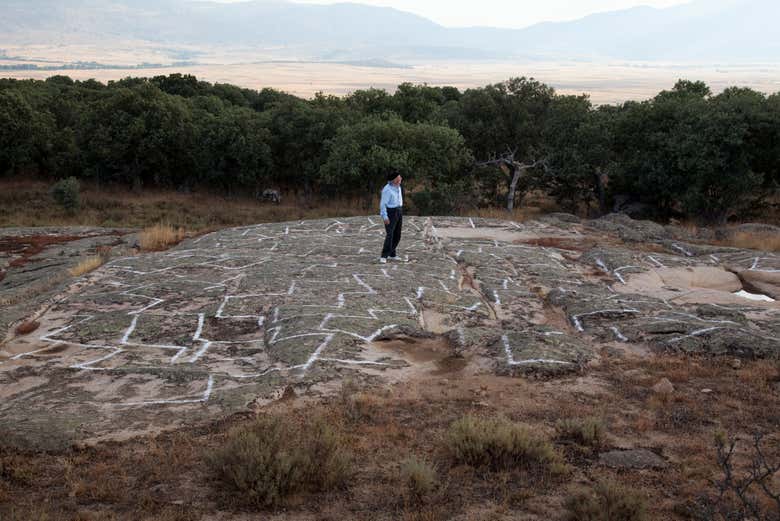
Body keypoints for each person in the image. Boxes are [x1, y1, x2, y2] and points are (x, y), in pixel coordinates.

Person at [379, 171, 403, 263]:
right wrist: (385, 217)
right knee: (390, 234)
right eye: (399, 178)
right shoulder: (387, 190)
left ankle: (392, 254)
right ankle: (384, 256)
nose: (401, 179)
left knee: (397, 235)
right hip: (391, 212)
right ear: (394, 180)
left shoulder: (399, 187)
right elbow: (382, 205)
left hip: (399, 211)